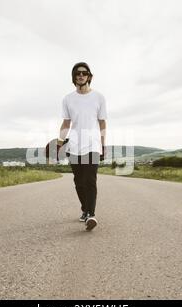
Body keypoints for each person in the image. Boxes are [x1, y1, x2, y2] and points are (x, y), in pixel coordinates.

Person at [57, 62, 107, 231]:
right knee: (79, 182)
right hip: (74, 145)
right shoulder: (68, 99)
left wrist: (103, 144)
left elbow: (102, 123)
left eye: (84, 73)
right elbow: (65, 123)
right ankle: (85, 209)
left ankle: (91, 215)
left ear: (89, 76)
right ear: (74, 77)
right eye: (77, 73)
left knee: (90, 180)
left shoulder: (99, 97)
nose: (81, 75)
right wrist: (59, 142)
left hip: (93, 144)